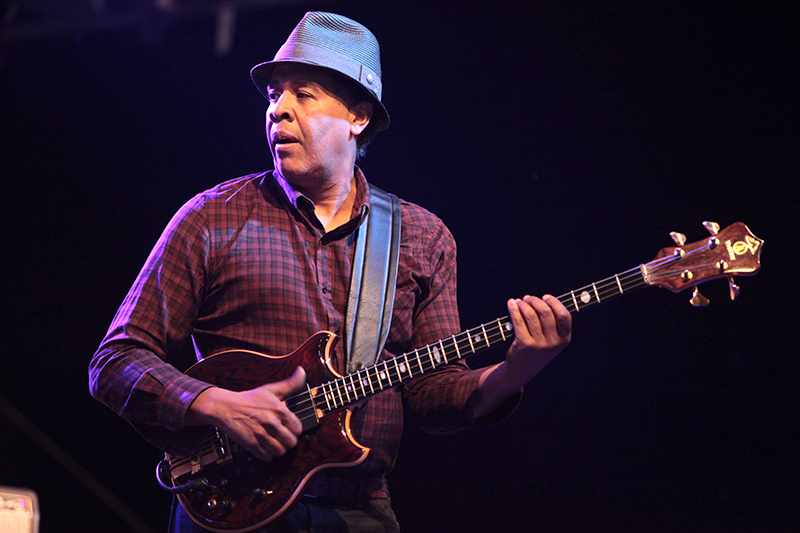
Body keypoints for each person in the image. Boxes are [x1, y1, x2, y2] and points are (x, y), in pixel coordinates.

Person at [89, 11, 572, 532]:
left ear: (358, 117)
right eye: (274, 94)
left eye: (304, 94)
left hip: (359, 510)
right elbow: (115, 361)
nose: (278, 111)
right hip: (231, 505)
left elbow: (434, 397)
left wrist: (515, 371)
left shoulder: (423, 236)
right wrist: (215, 403)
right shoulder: (212, 216)